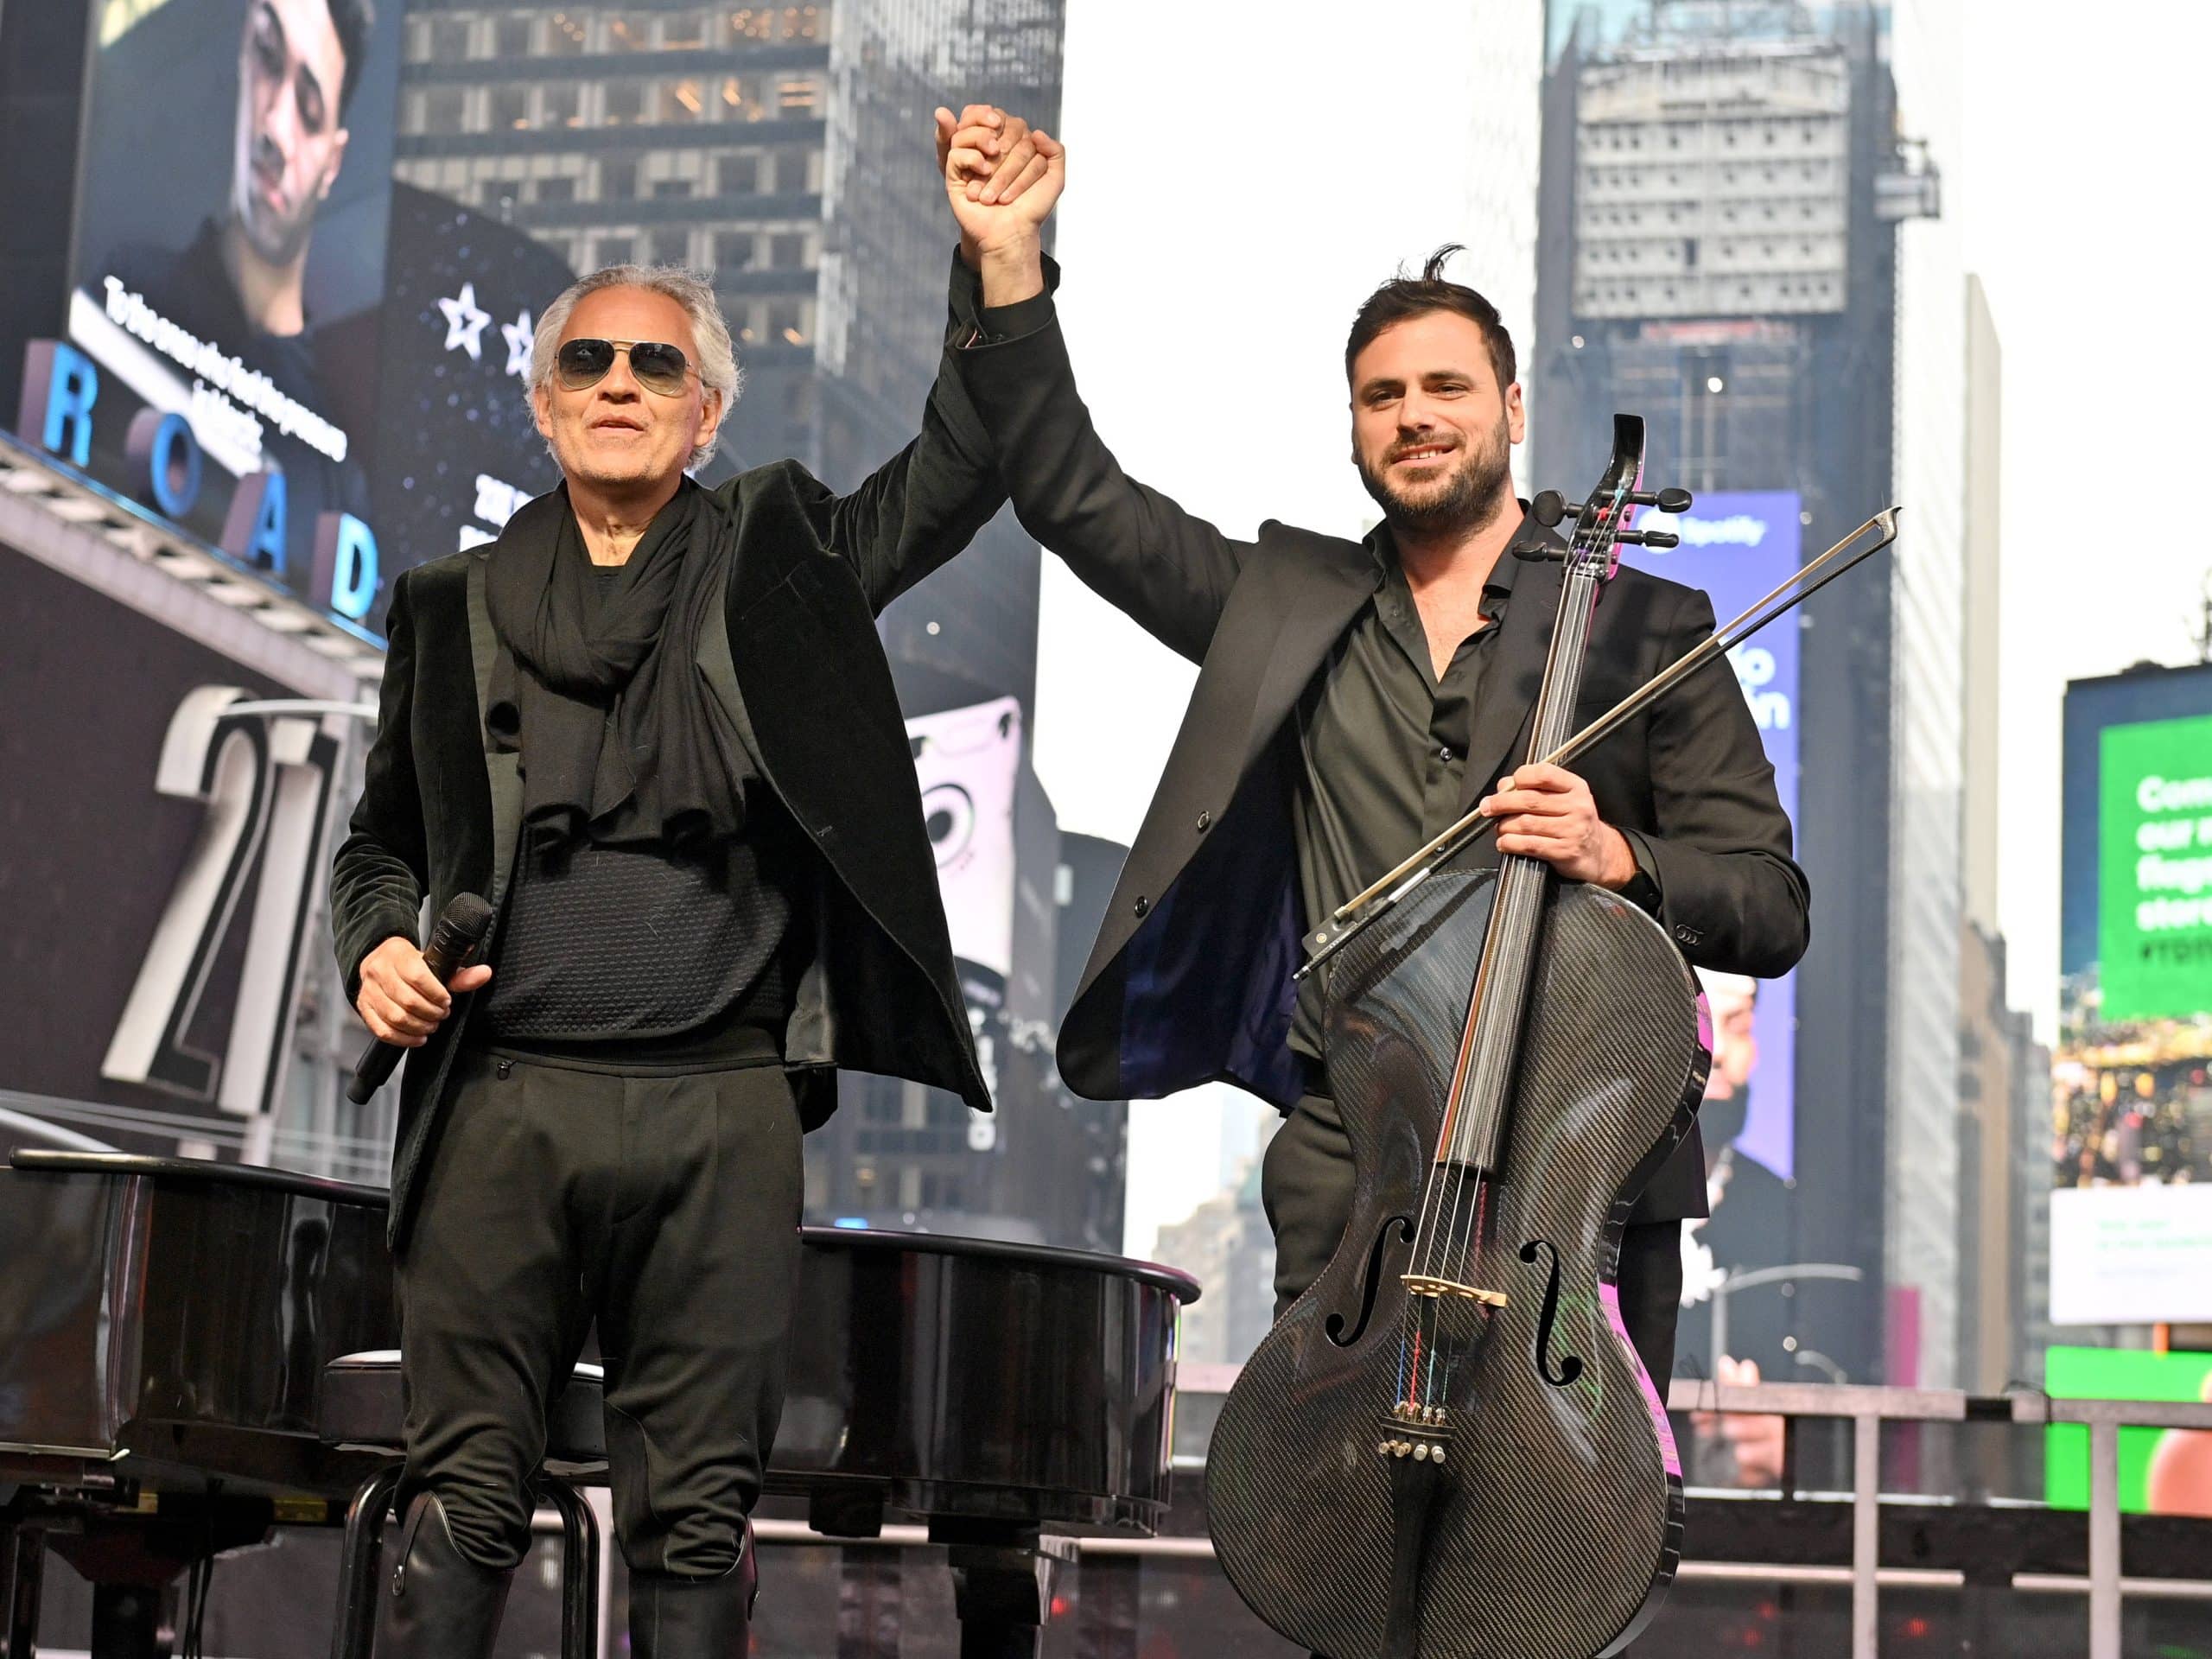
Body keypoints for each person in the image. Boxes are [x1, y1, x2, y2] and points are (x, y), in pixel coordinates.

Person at [934, 111, 1809, 1400]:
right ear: (1354, 426)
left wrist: (1615, 852)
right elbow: (1076, 496)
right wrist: (1008, 258)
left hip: (1575, 1171)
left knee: (1553, 1569)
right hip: (1350, 1157)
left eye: (1446, 388)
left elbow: (1772, 905)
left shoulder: (1641, 624)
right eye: (1382, 396)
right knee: (1338, 1546)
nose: (1414, 417)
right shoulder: (1288, 603)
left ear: (1510, 408)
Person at [328, 105, 1027, 1656]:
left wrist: (1000, 262)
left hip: (720, 1110)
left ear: (706, 415)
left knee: (697, 1525)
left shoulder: (783, 565)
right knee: (460, 1506)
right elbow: (378, 846)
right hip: (501, 1100)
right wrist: (376, 940)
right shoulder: (445, 612)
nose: (622, 385)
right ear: (542, 405)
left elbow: (968, 464)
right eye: (590, 362)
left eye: (657, 366)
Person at [99, 0, 377, 573]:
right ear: (241, 58)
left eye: (309, 107)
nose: (276, 125)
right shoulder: (121, 292)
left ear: (334, 161)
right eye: (269, 58)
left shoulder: (335, 468)